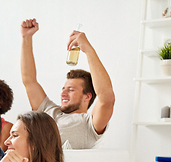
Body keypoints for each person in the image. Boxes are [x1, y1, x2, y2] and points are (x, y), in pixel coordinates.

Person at [20, 18, 115, 149]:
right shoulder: (48, 110)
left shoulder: (89, 124)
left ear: (87, 96)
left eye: (70, 90)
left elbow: (107, 98)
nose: (63, 93)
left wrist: (88, 49)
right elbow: (29, 80)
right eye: (63, 89)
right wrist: (26, 37)